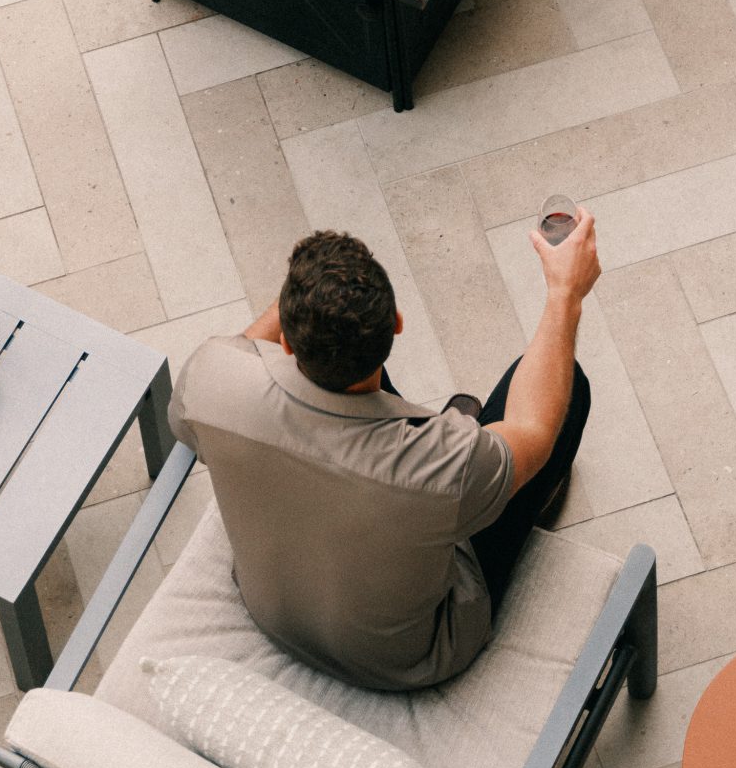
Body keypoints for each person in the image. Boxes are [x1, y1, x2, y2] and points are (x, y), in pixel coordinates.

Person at [169, 221, 598, 692]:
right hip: (407, 659)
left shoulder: (211, 378)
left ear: (287, 340)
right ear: (396, 323)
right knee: (567, 389)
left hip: (275, 612)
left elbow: (243, 361)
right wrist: (565, 294)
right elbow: (533, 429)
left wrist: (313, 290)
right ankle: (515, 495)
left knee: (339, 366)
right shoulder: (449, 465)